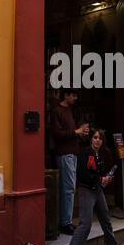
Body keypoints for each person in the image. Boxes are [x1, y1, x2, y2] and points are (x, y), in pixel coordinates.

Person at [61, 129, 120, 245]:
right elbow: (82, 173)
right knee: (85, 224)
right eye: (95, 137)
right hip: (86, 189)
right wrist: (100, 179)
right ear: (90, 139)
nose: (97, 140)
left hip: (98, 189)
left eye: (100, 138)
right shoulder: (84, 153)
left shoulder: (104, 153)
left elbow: (108, 168)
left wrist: (107, 178)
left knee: (105, 219)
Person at [51, 89, 89, 235]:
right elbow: (57, 134)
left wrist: (81, 133)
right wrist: (76, 132)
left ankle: (66, 221)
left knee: (69, 188)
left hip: (72, 153)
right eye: (73, 95)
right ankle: (65, 223)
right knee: (68, 189)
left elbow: (71, 132)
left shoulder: (71, 110)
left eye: (76, 95)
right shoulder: (57, 111)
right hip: (65, 154)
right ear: (65, 95)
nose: (75, 98)